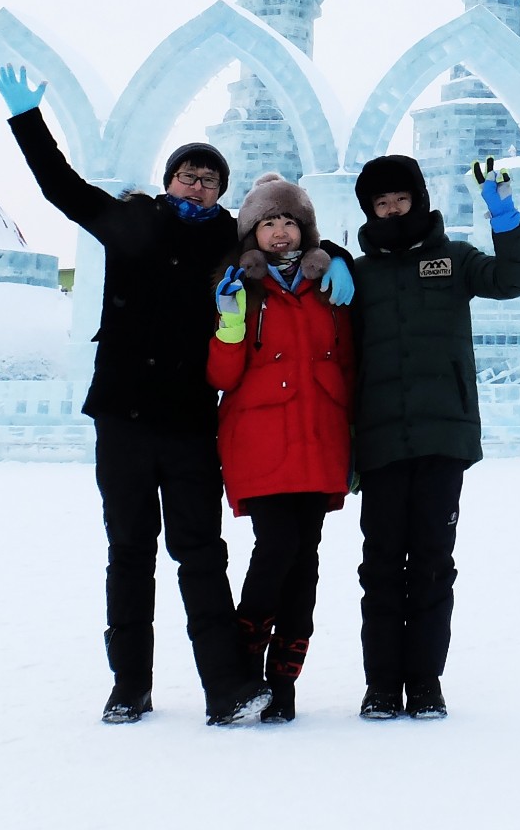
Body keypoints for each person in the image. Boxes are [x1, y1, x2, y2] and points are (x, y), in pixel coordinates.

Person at [0, 62, 348, 728]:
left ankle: (225, 687)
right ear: (169, 180)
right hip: (123, 417)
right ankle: (130, 685)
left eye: (212, 179)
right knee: (130, 550)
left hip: (189, 421)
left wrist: (339, 258)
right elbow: (61, 188)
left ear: (222, 194)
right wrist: (27, 121)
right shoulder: (131, 223)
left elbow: (288, 234)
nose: (200, 184)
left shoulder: (225, 240)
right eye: (190, 174)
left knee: (200, 552)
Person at [348, 153, 520, 721]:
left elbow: (512, 280)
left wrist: (504, 219)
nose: (392, 209)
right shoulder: (358, 273)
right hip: (379, 440)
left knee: (432, 563)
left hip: (441, 436)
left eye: (400, 199)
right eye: (381, 203)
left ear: (418, 200)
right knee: (380, 567)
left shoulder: (453, 260)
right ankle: (381, 685)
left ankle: (424, 683)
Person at [207, 173, 356, 724]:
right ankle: (246, 666)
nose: (279, 231)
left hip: (319, 440)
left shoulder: (332, 287)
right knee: (277, 549)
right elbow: (222, 376)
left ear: (304, 229)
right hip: (261, 443)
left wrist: (336, 259)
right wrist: (228, 323)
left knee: (305, 562)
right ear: (252, 233)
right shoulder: (239, 287)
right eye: (268, 222)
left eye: (288, 220)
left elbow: (347, 364)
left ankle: (283, 683)